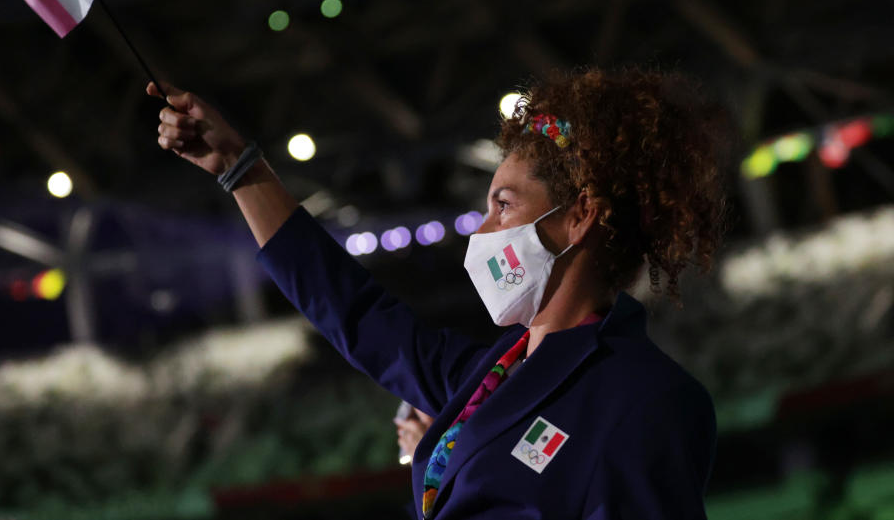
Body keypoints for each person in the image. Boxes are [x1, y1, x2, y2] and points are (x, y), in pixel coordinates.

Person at [148, 66, 728, 519]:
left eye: (503, 205)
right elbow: (351, 309)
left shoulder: (646, 398)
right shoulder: (481, 384)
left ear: (579, 217)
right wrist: (237, 167)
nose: (482, 232)